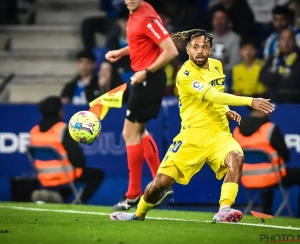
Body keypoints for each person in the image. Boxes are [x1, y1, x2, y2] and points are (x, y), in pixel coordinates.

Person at [109, 29, 274, 222]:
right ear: (187, 49)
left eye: (204, 47)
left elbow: (217, 95)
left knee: (236, 158)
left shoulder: (217, 66)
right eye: (195, 47)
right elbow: (211, 95)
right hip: (191, 136)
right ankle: (138, 213)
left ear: (210, 50)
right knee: (160, 183)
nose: (200, 51)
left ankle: (224, 210)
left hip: (219, 133)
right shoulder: (185, 73)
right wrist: (250, 101)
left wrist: (225, 109)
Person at [105, 0, 178, 210]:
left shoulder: (146, 16)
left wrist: (146, 72)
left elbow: (171, 50)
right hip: (144, 78)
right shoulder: (134, 13)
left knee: (130, 133)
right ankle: (160, 183)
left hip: (148, 79)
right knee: (140, 132)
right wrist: (122, 52)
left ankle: (134, 194)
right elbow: (143, 43)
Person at [29, 96, 104, 204]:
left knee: (74, 173)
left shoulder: (34, 131)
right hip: (64, 175)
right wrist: (80, 165)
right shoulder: (62, 129)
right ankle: (78, 203)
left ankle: (54, 196)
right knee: (97, 174)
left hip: (42, 177)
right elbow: (76, 157)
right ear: (59, 111)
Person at [233, 106, 300, 218]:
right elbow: (286, 156)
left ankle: (266, 212)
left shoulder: (237, 131)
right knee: (272, 171)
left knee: (268, 170)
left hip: (245, 178)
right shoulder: (270, 128)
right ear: (260, 109)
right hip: (271, 177)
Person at [259, 28, 300, 103]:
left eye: (289, 39)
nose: (286, 43)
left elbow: (293, 82)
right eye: (283, 39)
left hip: (293, 101)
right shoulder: (273, 58)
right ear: (279, 41)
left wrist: (274, 78)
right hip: (272, 98)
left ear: (294, 41)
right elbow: (262, 76)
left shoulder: (298, 58)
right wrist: (280, 75)